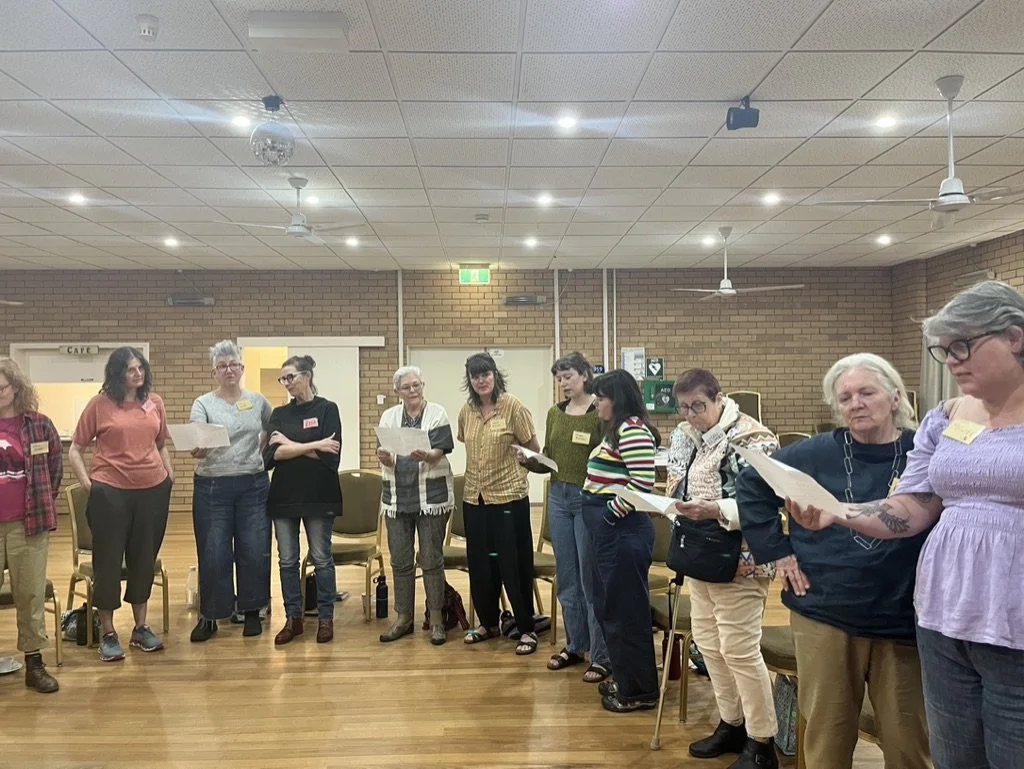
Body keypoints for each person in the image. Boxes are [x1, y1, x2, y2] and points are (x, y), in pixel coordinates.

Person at [783, 281, 1024, 769]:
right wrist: (838, 512)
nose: (952, 360)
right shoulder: (948, 416)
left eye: (963, 345)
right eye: (944, 350)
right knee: (956, 754)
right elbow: (911, 507)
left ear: (1015, 337)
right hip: (941, 615)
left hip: (1013, 618)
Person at [736, 353, 929, 769]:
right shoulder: (812, 453)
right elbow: (751, 485)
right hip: (826, 610)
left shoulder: (923, 451)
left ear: (894, 397)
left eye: (866, 392)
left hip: (903, 617)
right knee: (826, 739)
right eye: (844, 397)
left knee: (909, 743)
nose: (855, 403)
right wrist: (779, 553)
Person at [668, 369, 780, 768]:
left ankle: (762, 740)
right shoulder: (687, 437)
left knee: (739, 649)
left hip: (742, 560)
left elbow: (769, 502)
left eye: (698, 406)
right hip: (700, 554)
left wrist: (715, 509)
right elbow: (678, 482)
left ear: (718, 398)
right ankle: (731, 723)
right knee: (710, 645)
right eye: (683, 408)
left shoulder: (753, 437)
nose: (691, 415)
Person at [69, 347, 174, 662]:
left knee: (143, 559)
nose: (137, 374)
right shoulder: (99, 405)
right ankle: (109, 632)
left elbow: (161, 444)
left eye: (140, 368)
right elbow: (75, 448)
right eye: (131, 369)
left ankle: (141, 628)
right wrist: (90, 485)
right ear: (117, 373)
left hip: (152, 490)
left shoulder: (154, 403)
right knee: (108, 562)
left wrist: (169, 476)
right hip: (110, 492)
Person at [517, 352, 610, 682]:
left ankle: (600, 656)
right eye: (558, 379)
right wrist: (529, 460)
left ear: (585, 375)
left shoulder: (599, 410)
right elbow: (550, 459)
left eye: (568, 376)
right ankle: (576, 645)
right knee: (567, 578)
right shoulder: (555, 414)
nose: (563, 384)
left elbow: (609, 456)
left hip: (588, 499)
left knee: (590, 579)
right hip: (558, 497)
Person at [581, 369, 661, 713]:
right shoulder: (616, 430)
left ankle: (639, 691)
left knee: (625, 612)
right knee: (610, 608)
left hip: (622, 530)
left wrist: (609, 515)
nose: (596, 402)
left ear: (619, 399)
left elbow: (642, 485)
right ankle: (628, 679)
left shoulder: (633, 430)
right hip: (612, 530)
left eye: (602, 396)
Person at [457, 352, 542, 656]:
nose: (481, 380)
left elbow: (533, 449)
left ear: (495, 375)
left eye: (486, 374)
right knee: (481, 562)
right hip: (474, 497)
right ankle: (488, 622)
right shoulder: (466, 411)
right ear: (469, 380)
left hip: (508, 496)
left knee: (513, 563)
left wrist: (524, 459)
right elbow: (463, 442)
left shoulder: (513, 406)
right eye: (475, 375)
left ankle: (526, 627)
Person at [189, 341, 273, 642]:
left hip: (253, 484)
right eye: (222, 366)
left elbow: (271, 431)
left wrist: (259, 453)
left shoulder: (259, 400)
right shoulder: (203, 403)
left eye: (233, 365)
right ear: (214, 372)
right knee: (214, 551)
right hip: (213, 486)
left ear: (242, 368)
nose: (228, 370)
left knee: (253, 548)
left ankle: (251, 611)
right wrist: (198, 447)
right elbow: (197, 439)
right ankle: (211, 615)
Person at [262, 355, 343, 646]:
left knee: (321, 558)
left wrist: (290, 444)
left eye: (290, 377)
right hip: (284, 497)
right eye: (282, 379)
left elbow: (331, 458)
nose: (286, 383)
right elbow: (271, 456)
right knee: (286, 561)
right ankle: (293, 618)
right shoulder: (279, 414)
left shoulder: (327, 409)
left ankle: (325, 618)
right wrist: (315, 445)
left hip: (320, 496)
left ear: (307, 376)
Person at [376, 366, 454, 646]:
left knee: (431, 559)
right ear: (398, 391)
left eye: (417, 385)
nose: (413, 390)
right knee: (400, 561)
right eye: (407, 387)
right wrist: (385, 459)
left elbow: (442, 449)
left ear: (423, 386)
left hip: (431, 497)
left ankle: (435, 618)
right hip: (398, 498)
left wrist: (429, 454)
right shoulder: (389, 416)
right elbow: (384, 452)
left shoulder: (437, 413)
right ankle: (403, 617)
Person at [0, 358, 62, 693]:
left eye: (2, 388)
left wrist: (41, 502)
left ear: (16, 388)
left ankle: (34, 664)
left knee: (31, 594)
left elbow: (54, 468)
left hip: (28, 524)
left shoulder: (39, 425)